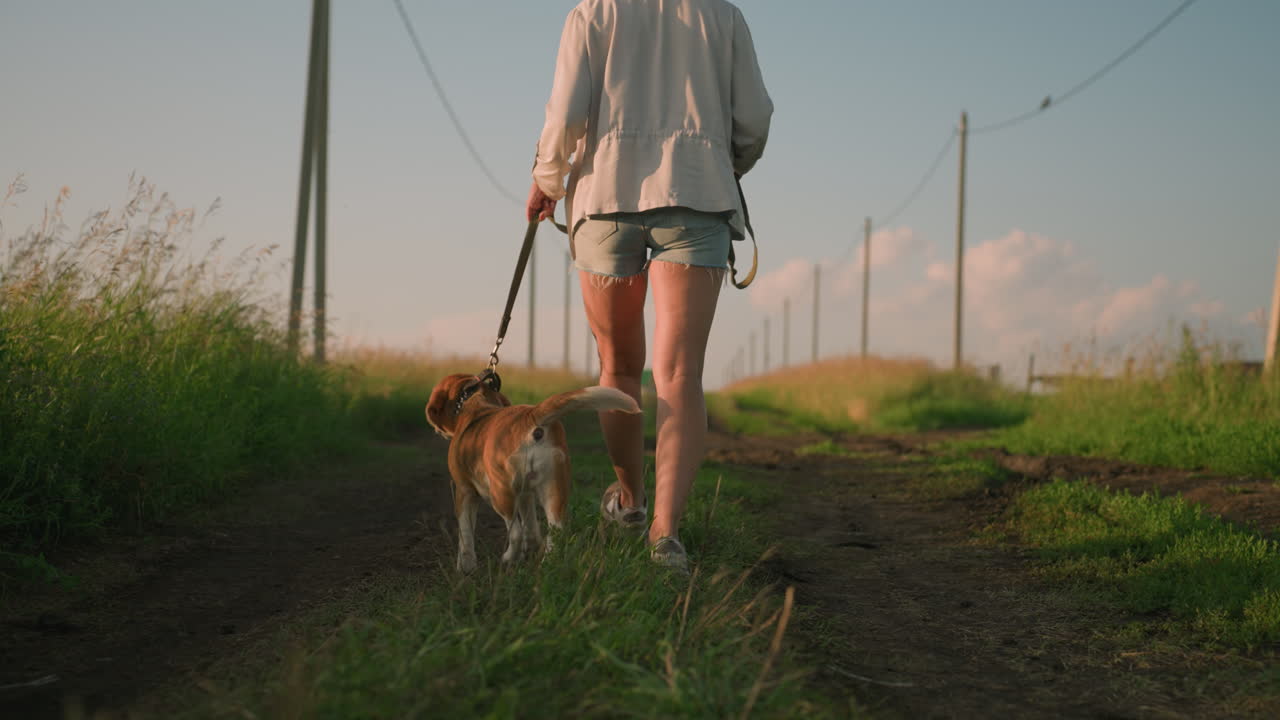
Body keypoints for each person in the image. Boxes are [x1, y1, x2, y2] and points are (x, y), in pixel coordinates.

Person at [527, 0, 772, 573]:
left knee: (617, 367)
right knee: (680, 374)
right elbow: (754, 119)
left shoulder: (592, 13)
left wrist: (547, 179)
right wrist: (721, 163)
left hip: (605, 195)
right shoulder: (724, 16)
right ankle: (666, 534)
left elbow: (566, 114)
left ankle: (631, 502)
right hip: (698, 193)